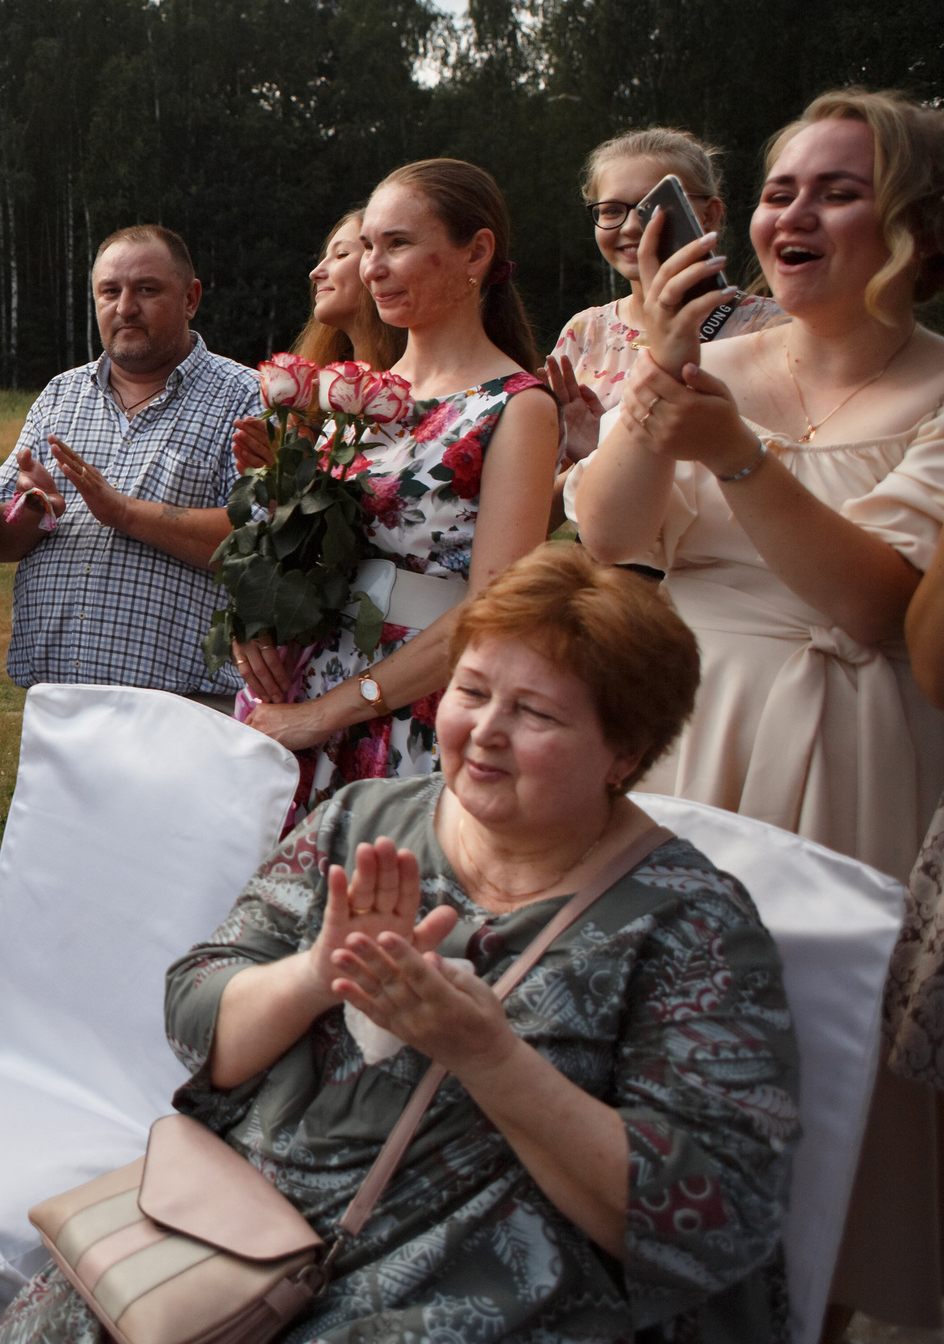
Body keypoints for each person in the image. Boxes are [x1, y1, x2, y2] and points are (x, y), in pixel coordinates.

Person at [0, 544, 799, 1343]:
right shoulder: (362, 820)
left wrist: (489, 1055)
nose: (485, 731)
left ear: (625, 752)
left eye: (537, 713)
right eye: (472, 691)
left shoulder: (687, 923)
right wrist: (314, 973)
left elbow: (713, 1214)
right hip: (244, 1240)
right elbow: (196, 1020)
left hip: (482, 1293)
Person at [573, 87, 944, 1329]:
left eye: (837, 189)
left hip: (850, 744)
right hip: (684, 731)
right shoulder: (709, 364)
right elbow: (612, 534)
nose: (795, 211)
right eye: (781, 187)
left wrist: (736, 454)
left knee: (821, 1069)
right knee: (657, 1051)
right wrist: (664, 374)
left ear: (910, 227)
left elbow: (872, 605)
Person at [235, 160, 560, 815]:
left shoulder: (516, 407)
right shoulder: (362, 392)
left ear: (477, 251)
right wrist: (257, 610)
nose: (371, 268)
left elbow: (492, 612)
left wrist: (329, 714)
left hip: (414, 711)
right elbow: (314, 540)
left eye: (398, 244)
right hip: (308, 687)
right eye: (369, 246)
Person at [0, 225, 261, 708]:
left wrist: (123, 512)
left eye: (147, 290)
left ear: (191, 298)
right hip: (54, 702)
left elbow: (257, 546)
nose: (125, 307)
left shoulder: (246, 398)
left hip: (181, 710)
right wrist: (30, 511)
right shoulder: (60, 396)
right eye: (110, 291)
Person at [547, 128, 783, 477]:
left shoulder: (771, 327)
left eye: (650, 208)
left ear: (709, 215)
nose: (629, 227)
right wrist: (600, 453)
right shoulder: (584, 332)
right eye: (611, 210)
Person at [228, 208, 405, 473]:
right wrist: (284, 476)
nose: (315, 273)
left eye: (341, 255)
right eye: (324, 258)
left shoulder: (413, 397)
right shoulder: (316, 408)